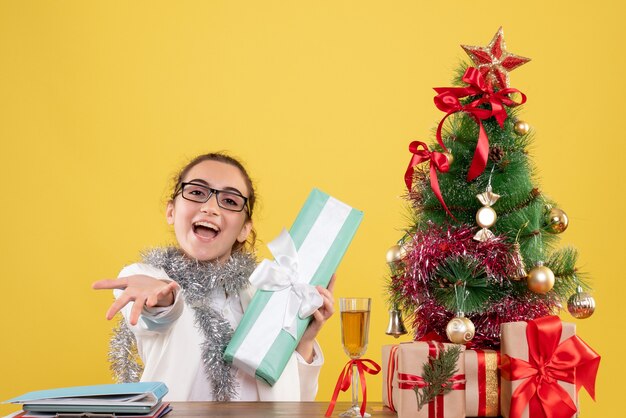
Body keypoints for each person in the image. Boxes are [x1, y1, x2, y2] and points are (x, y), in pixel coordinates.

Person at [93, 152, 334, 402]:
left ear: (244, 229)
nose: (210, 207)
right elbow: (161, 311)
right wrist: (163, 295)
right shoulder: (143, 277)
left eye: (230, 201)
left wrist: (304, 341)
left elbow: (299, 401)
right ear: (171, 211)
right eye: (197, 192)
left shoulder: (266, 294)